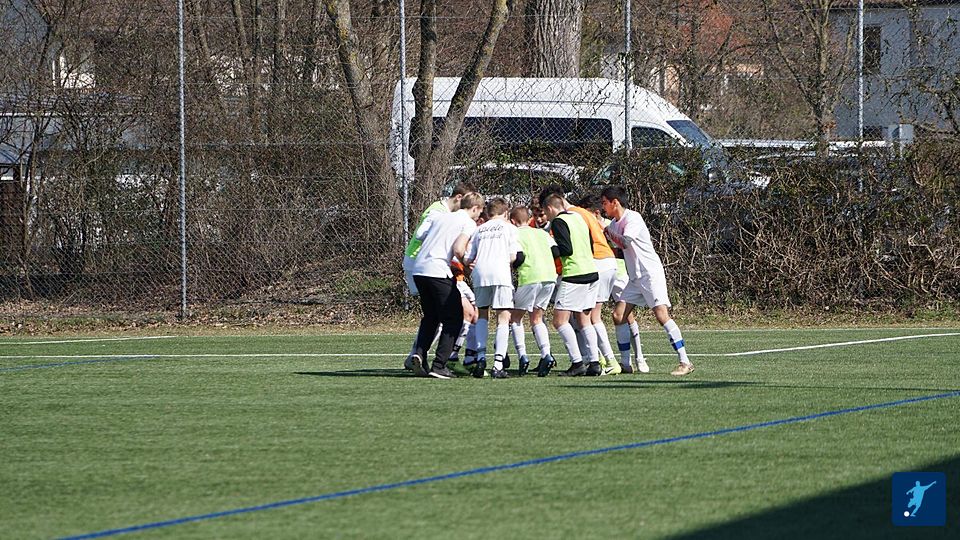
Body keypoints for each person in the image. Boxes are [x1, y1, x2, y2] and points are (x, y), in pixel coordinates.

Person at [600, 186, 694, 376]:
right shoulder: (613, 224)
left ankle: (685, 362)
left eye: (604, 203)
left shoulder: (633, 218)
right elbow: (618, 248)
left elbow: (625, 241)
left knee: (661, 315)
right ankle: (626, 364)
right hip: (634, 278)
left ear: (614, 202)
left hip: (650, 273)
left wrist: (607, 231)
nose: (603, 207)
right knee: (618, 315)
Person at [409, 192, 485, 379]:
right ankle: (439, 365)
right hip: (437, 270)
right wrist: (467, 264)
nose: (479, 216)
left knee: (431, 316)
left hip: (419, 269)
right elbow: (459, 248)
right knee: (454, 318)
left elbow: (422, 235)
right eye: (480, 211)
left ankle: (419, 354)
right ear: (475, 208)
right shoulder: (468, 223)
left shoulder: (442, 216)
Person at [540, 193, 601, 376]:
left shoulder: (558, 222)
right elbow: (590, 244)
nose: (546, 216)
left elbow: (566, 249)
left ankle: (577, 363)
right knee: (584, 319)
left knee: (559, 321)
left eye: (545, 212)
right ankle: (595, 362)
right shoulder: (579, 217)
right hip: (591, 271)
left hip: (575, 274)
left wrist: (550, 247)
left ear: (550, 208)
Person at [587, 198, 649, 374]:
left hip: (619, 272)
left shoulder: (610, 225)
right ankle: (612, 360)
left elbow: (623, 247)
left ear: (596, 213)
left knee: (627, 316)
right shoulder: (587, 227)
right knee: (598, 314)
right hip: (599, 272)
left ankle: (639, 357)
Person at [464, 198, 523, 379]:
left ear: (488, 213)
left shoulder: (479, 229)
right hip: (500, 273)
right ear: (505, 213)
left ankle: (481, 358)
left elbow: (467, 258)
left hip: (480, 273)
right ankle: (498, 364)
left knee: (482, 314)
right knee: (503, 317)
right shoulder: (509, 228)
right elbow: (513, 256)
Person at [508, 205, 559, 376]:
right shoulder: (541, 233)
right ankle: (546, 354)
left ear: (513, 221)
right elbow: (556, 251)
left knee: (515, 318)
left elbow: (519, 257)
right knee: (537, 318)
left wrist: (513, 266)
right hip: (549, 276)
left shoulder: (515, 233)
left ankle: (522, 356)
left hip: (530, 277)